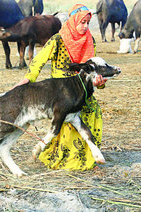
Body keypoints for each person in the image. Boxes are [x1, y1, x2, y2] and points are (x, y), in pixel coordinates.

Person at [13, 4, 107, 171]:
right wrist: (28, 78)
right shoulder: (58, 39)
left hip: (81, 89)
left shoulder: (89, 41)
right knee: (65, 114)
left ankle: (87, 158)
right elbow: (39, 60)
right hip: (60, 90)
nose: (85, 27)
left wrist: (99, 84)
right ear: (72, 21)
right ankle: (63, 158)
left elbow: (93, 70)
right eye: (82, 22)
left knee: (93, 111)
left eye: (87, 22)